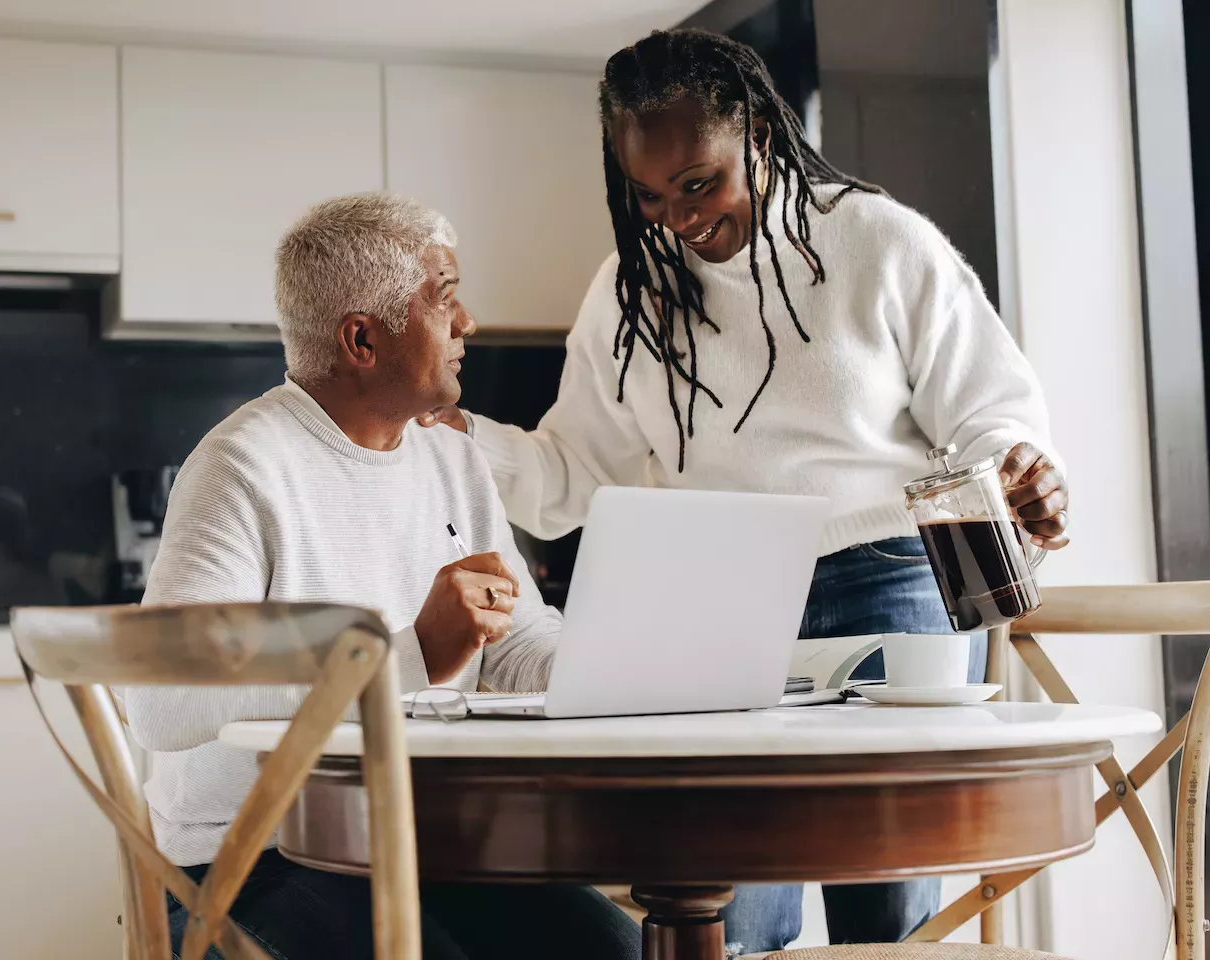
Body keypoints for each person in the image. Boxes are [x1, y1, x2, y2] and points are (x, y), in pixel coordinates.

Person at [417, 29, 1069, 954]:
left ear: (760, 130)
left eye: (697, 184)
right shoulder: (629, 292)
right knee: (728, 901)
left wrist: (1020, 471)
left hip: (888, 576)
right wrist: (460, 441)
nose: (675, 218)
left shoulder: (878, 241)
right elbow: (574, 477)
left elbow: (993, 417)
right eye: (646, 194)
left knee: (879, 902)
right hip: (720, 594)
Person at [125, 194, 640, 960]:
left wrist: (617, 670)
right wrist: (408, 656)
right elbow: (163, 700)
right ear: (363, 339)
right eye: (445, 298)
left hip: (427, 842)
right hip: (249, 864)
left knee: (621, 954)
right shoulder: (241, 465)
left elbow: (517, 634)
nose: (467, 324)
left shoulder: (452, 457)